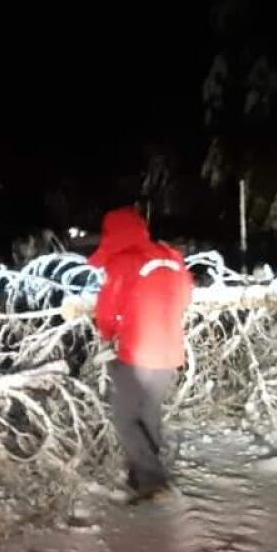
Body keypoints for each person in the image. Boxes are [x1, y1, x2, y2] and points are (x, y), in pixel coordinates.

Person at [88, 207, 194, 502]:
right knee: (148, 414)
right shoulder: (171, 258)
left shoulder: (122, 262)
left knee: (124, 418)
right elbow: (186, 298)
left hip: (136, 352)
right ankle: (141, 473)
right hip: (170, 351)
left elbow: (107, 310)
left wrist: (109, 336)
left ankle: (152, 479)